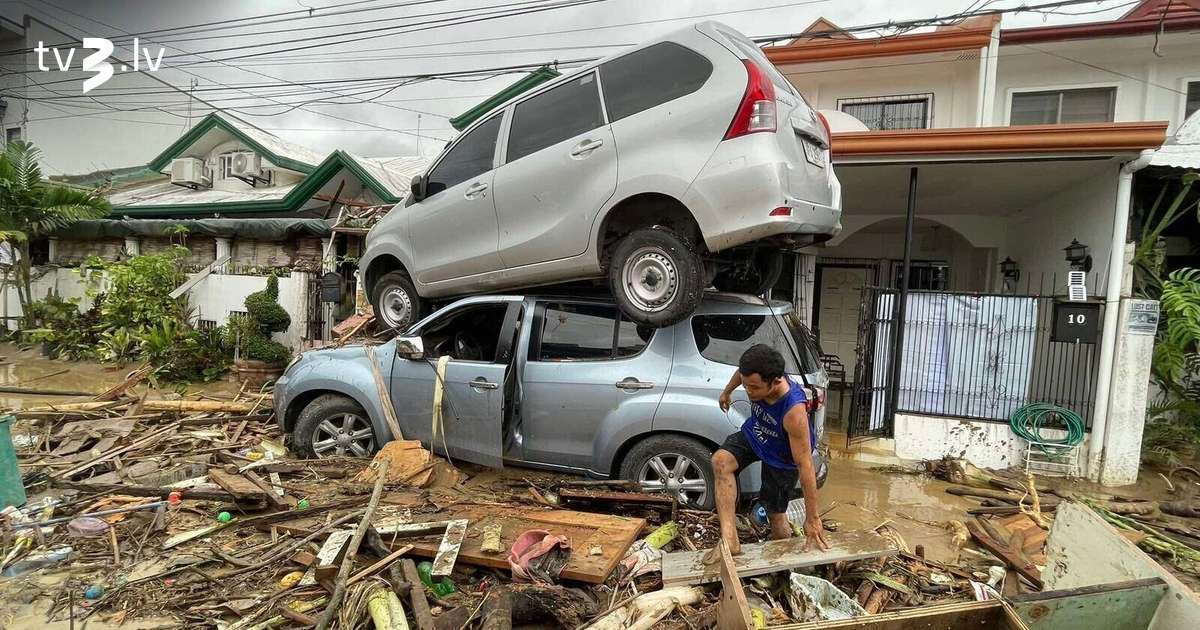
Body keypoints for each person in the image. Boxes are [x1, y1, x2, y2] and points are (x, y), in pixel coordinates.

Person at [710, 343, 828, 556]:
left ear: (775, 382)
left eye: (754, 388)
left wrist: (812, 518)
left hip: (782, 458)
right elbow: (741, 373)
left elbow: (805, 465)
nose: (748, 390)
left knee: (776, 514)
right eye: (746, 386)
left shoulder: (793, 411)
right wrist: (726, 392)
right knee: (721, 461)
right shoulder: (754, 375)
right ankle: (730, 540)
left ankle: (781, 560)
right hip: (757, 434)